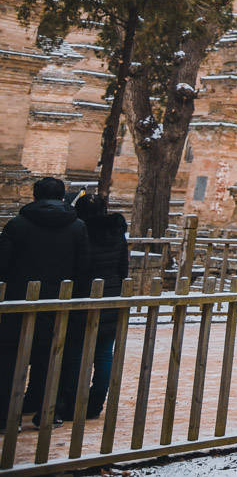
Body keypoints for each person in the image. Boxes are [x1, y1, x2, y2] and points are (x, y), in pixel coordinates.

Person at [0, 177, 90, 422]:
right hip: (59, 301)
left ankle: (6, 414)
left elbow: (3, 264)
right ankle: (44, 409)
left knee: (9, 357)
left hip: (18, 299)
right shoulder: (77, 227)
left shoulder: (17, 225)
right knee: (50, 356)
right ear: (62, 197)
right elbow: (83, 268)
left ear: (35, 196)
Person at [68, 192, 129, 413]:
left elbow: (77, 266)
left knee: (74, 352)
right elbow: (123, 268)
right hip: (111, 297)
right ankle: (95, 403)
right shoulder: (116, 232)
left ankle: (71, 401)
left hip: (82, 296)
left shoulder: (80, 231)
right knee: (104, 353)